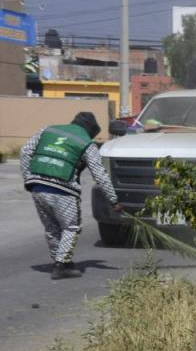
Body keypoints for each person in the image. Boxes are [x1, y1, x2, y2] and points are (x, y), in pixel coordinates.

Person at [20, 112, 123, 279]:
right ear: (90, 130)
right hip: (63, 189)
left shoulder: (47, 130)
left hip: (37, 187)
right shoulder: (86, 143)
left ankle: (59, 261)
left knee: (52, 227)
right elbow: (100, 173)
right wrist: (113, 199)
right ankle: (62, 265)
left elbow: (25, 152)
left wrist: (29, 178)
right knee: (71, 227)